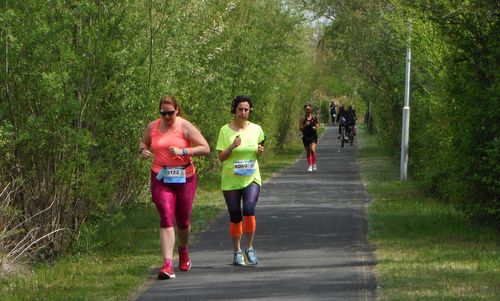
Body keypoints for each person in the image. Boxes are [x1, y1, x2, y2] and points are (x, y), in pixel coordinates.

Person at [139, 95, 210, 280]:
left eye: (170, 113)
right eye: (163, 113)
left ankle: (183, 250)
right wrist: (143, 150)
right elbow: (143, 142)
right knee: (166, 215)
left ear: (177, 110)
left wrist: (184, 151)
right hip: (160, 177)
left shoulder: (184, 126)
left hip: (184, 177)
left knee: (183, 220)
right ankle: (168, 264)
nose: (167, 117)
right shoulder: (152, 126)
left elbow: (205, 148)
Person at [216, 95, 265, 266]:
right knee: (235, 216)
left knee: (249, 210)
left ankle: (249, 248)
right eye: (240, 109)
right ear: (234, 110)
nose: (243, 113)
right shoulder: (225, 130)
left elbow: (260, 150)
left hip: (251, 177)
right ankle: (237, 251)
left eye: (246, 109)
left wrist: (260, 152)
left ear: (250, 111)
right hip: (231, 180)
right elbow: (221, 158)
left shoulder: (257, 129)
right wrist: (232, 146)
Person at [299, 104, 319, 172]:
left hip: (313, 136)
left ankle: (313, 164)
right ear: (305, 110)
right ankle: (310, 165)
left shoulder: (314, 117)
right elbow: (300, 128)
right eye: (307, 109)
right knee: (308, 152)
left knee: (312, 150)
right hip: (306, 137)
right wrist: (305, 125)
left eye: (309, 109)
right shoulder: (303, 119)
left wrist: (315, 127)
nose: (308, 111)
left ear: (311, 110)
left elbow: (317, 124)